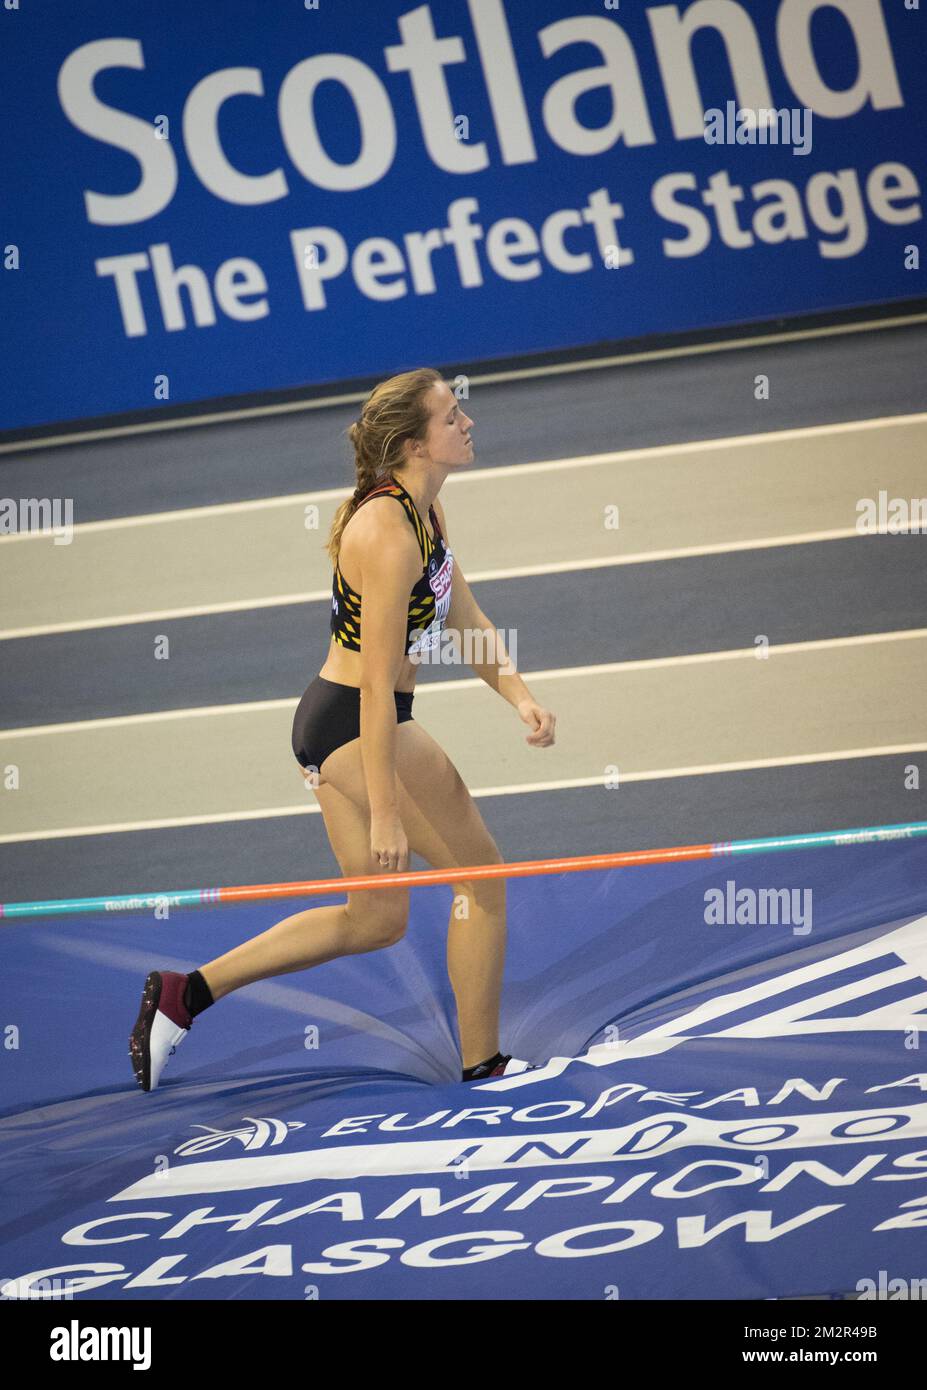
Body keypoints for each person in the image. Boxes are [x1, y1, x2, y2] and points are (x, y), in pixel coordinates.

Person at [129, 367, 556, 1092]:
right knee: (481, 878)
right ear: (414, 444)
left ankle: (186, 992)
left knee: (375, 920)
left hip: (338, 724)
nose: (467, 423)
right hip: (360, 723)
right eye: (451, 417)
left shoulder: (427, 513)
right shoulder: (386, 534)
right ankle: (484, 1065)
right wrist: (386, 811)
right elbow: (373, 683)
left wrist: (517, 695)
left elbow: (462, 617)